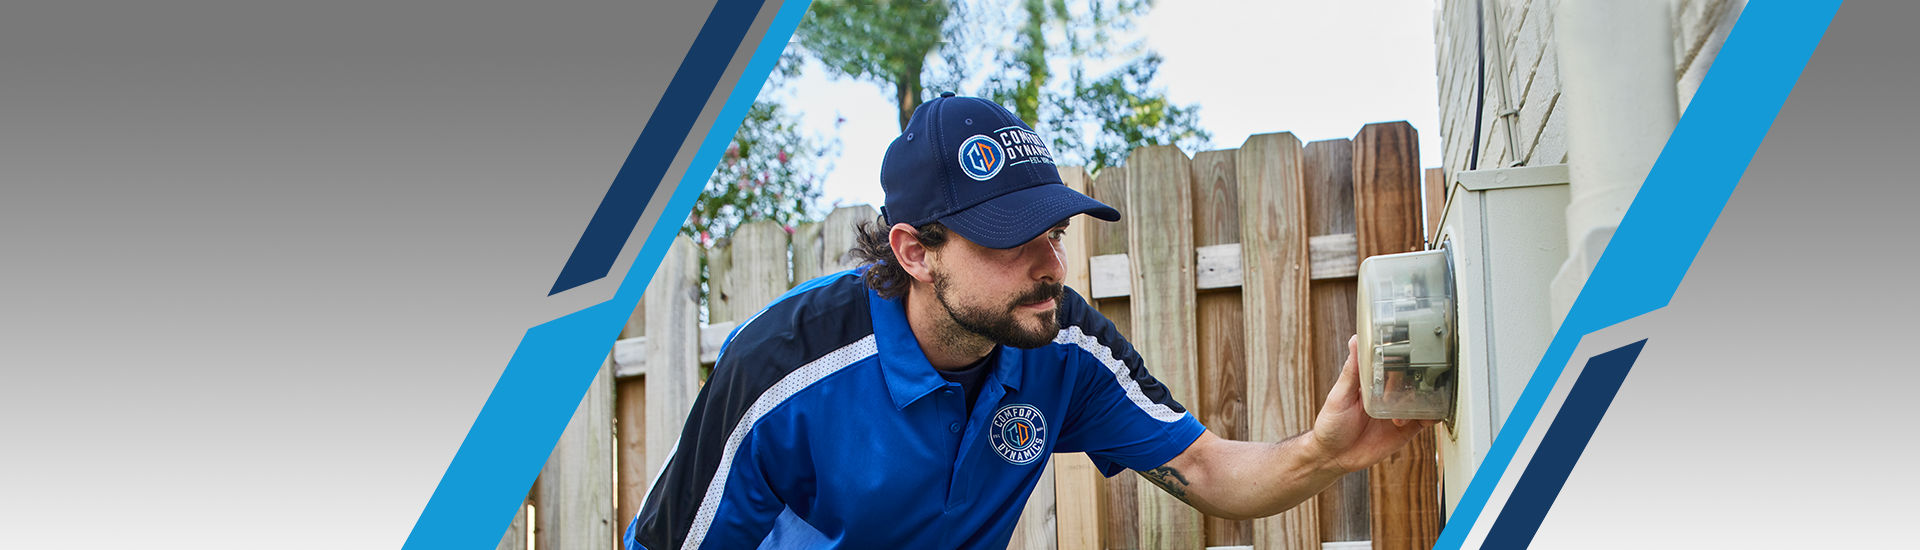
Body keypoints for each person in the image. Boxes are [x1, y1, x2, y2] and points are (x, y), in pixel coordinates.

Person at [623, 93, 1432, 550]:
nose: (1052, 264)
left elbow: (1207, 470)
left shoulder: (1063, 345)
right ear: (915, 251)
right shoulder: (782, 366)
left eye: (1055, 232)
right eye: (1013, 239)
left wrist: (1321, 454)